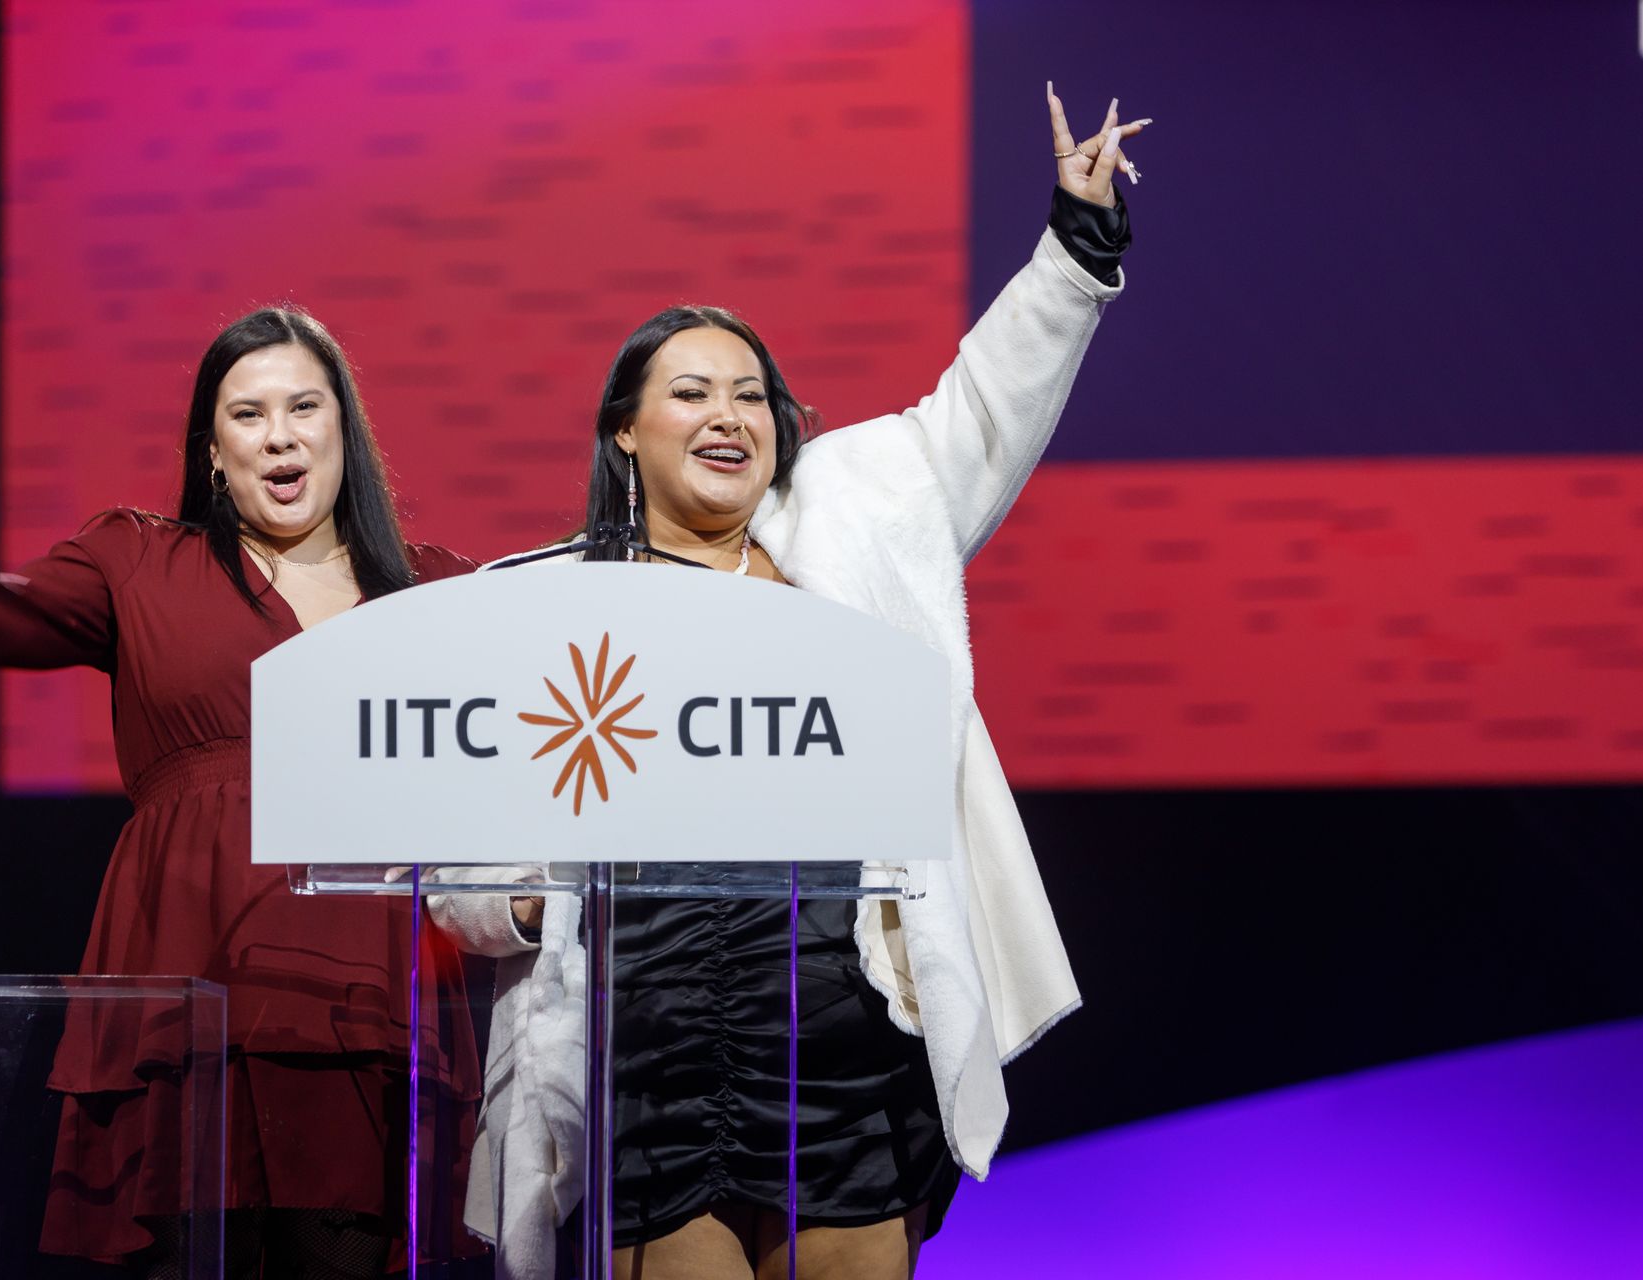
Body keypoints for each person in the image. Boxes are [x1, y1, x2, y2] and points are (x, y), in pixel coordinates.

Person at [431, 89, 1145, 1280]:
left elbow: (983, 405)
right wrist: (530, 899)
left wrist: (1076, 240)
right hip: (650, 1031)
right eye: (693, 391)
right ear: (625, 431)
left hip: (838, 1017)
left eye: (751, 392)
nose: (730, 413)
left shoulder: (855, 516)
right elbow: (458, 867)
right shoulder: (541, 599)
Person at [0, 307, 484, 1278]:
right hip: (188, 971)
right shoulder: (139, 559)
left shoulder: (436, 593)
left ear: (344, 430)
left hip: (360, 992)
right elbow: (2, 613)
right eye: (249, 412)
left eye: (306, 405)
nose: (281, 432)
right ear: (213, 451)